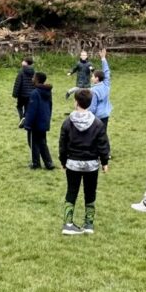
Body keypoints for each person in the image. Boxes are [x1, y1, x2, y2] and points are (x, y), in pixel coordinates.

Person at [58, 89, 110, 235]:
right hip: (91, 165)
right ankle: (89, 224)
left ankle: (67, 224)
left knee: (71, 191)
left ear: (76, 102)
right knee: (90, 192)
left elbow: (63, 144)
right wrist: (105, 162)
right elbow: (103, 144)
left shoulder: (67, 122)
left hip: (72, 164)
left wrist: (63, 161)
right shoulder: (98, 123)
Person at [23, 71, 54, 169]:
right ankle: (49, 163)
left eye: (33, 77)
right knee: (42, 142)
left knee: (33, 142)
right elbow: (50, 106)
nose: (32, 79)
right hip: (44, 121)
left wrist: (27, 124)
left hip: (35, 123)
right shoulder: (47, 92)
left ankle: (35, 163)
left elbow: (32, 110)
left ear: (37, 80)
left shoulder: (35, 93)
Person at [88, 48, 111, 132]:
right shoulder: (106, 85)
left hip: (97, 116)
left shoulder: (93, 91)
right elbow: (107, 72)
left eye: (93, 76)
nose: (91, 77)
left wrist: (85, 113)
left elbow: (92, 108)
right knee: (103, 133)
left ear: (97, 79)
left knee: (95, 135)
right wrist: (103, 59)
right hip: (106, 114)